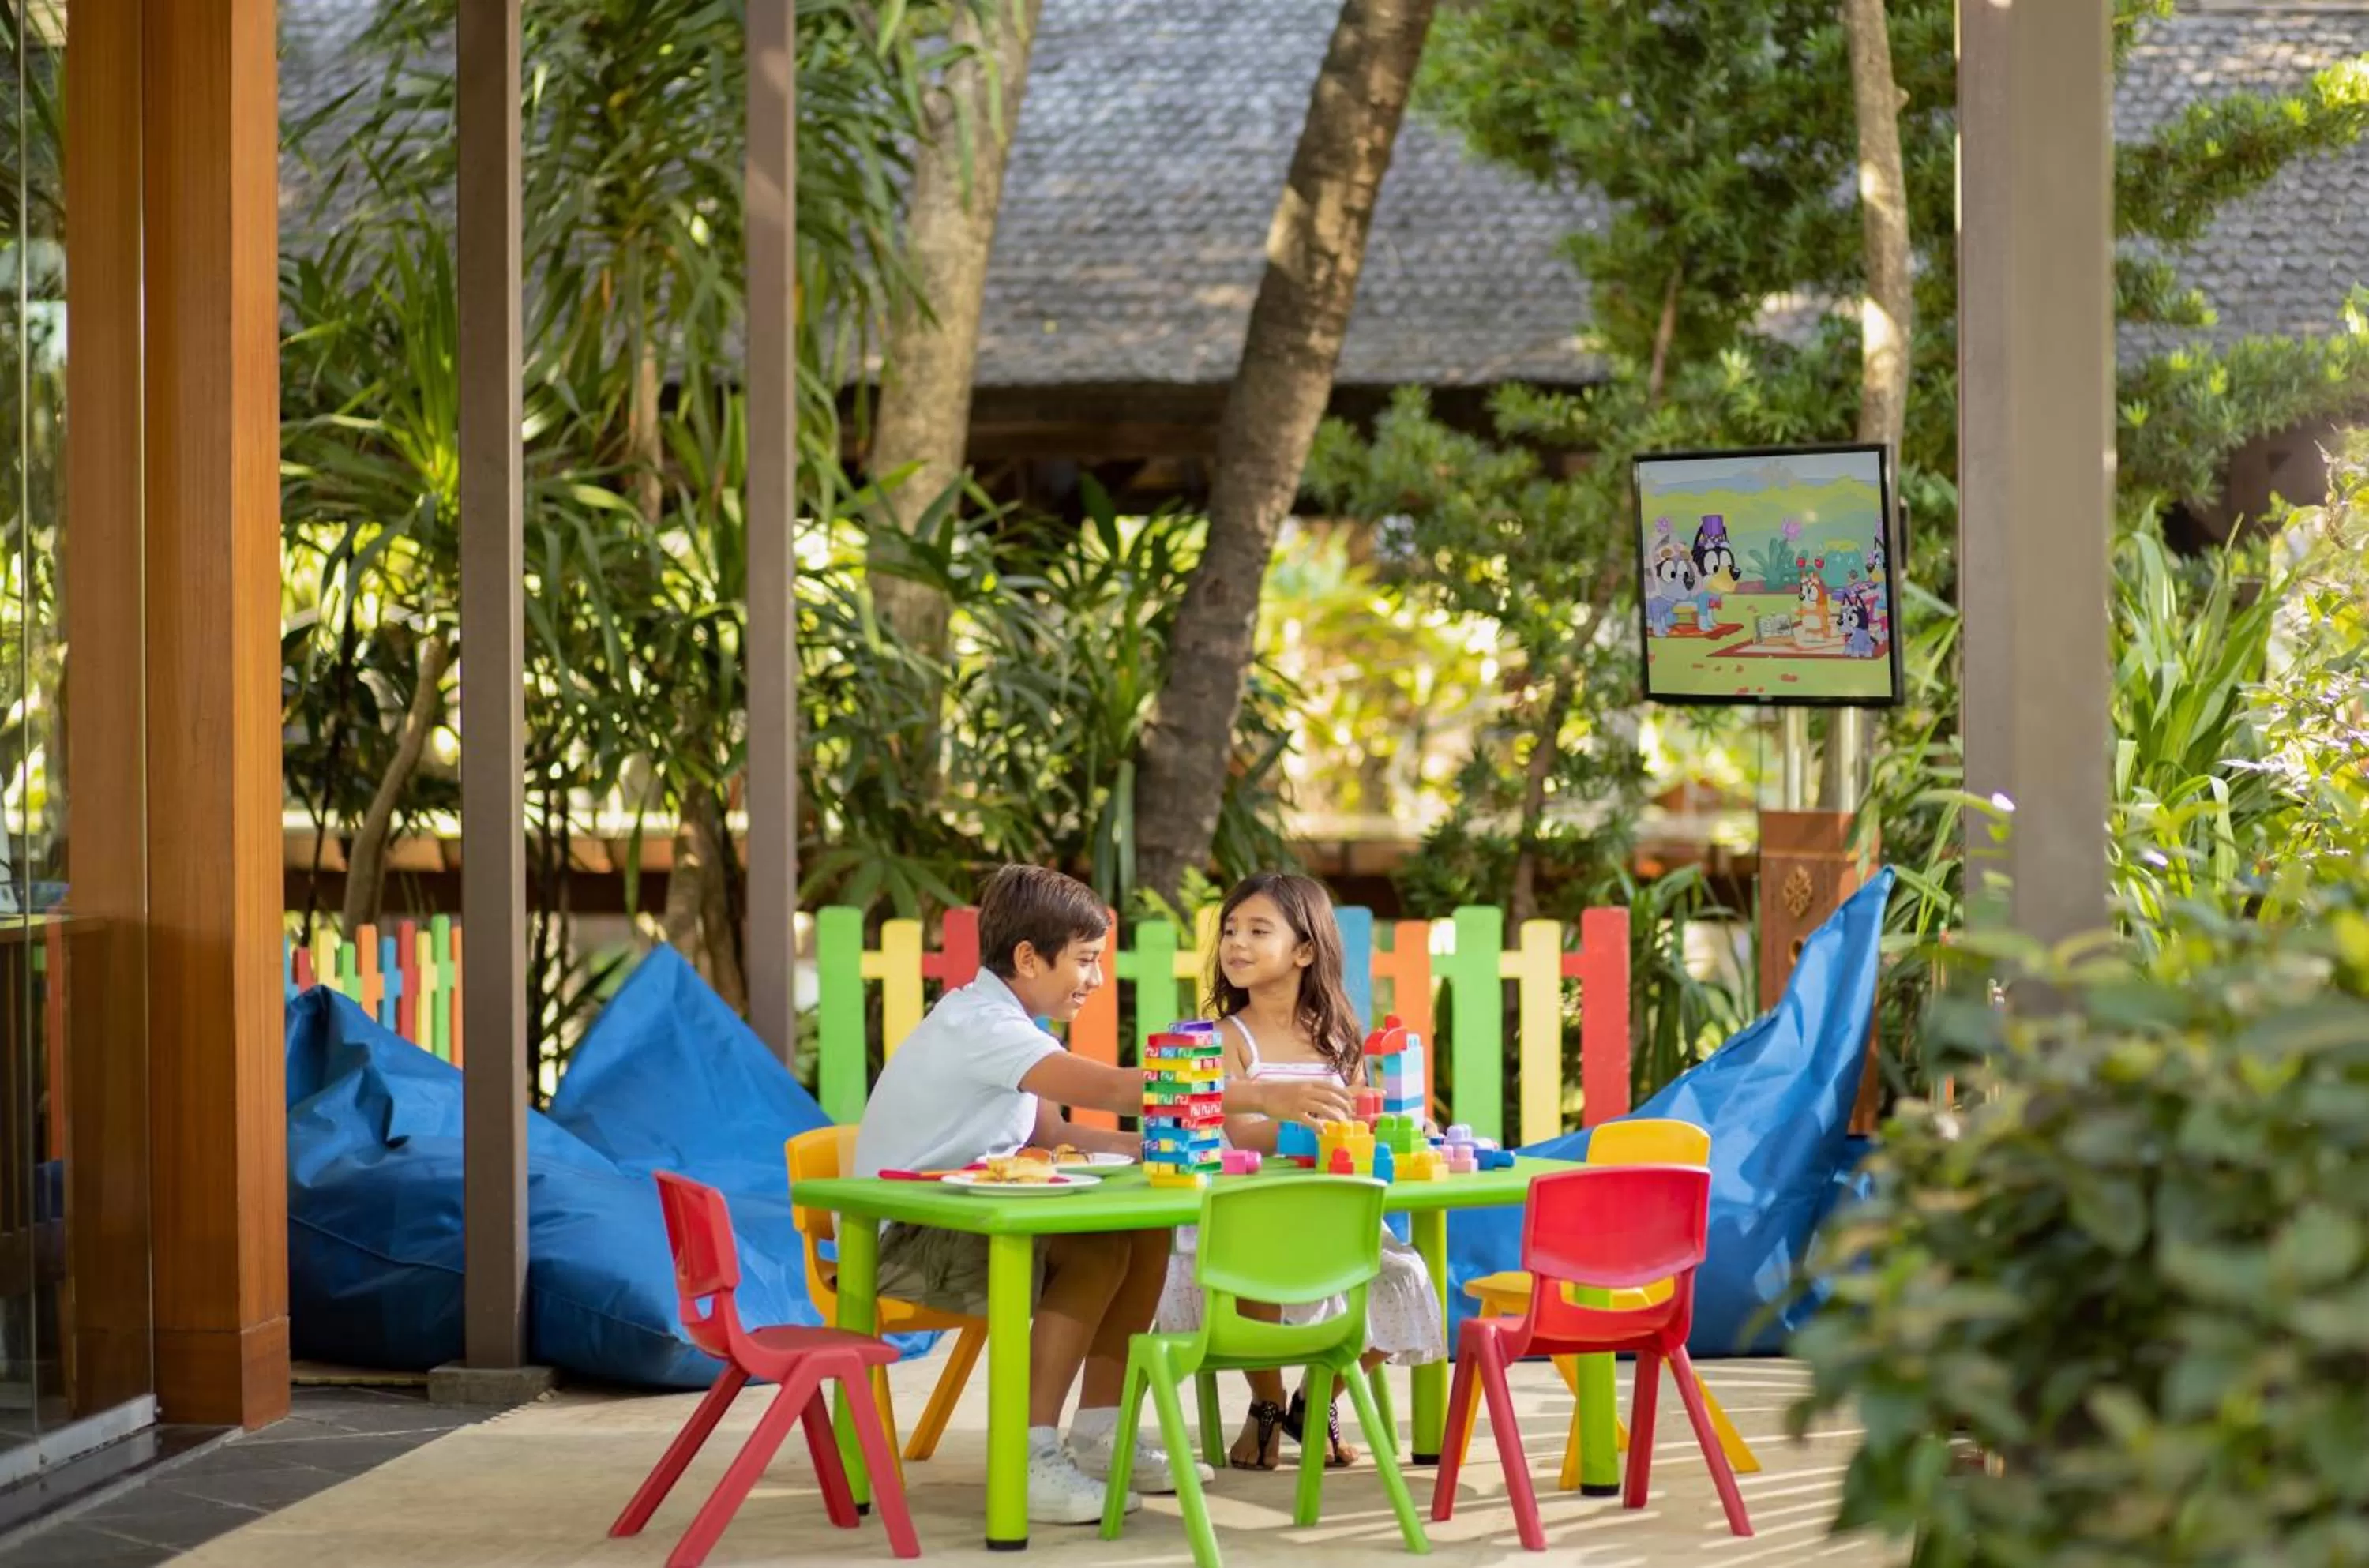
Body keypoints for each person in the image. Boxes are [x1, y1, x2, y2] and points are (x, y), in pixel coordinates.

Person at [852, 865, 1355, 1525]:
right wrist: (1261, 1094)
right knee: (1093, 1255)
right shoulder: (982, 1027)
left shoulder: (1010, 1025)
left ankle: (1100, 1433)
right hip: (907, 1241)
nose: (1094, 978)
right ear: (1029, 958)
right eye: (1085, 961)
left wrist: (1138, 1148)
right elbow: (1122, 1090)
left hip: (965, 1218)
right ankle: (1029, 1455)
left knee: (1142, 1232)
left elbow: (1050, 1130)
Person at [1152, 871, 1444, 1470]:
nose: (1236, 942)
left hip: (1333, 1216)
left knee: (1406, 1278)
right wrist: (1300, 1126)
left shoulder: (1338, 1038)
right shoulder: (1223, 1039)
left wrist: (1399, 1129)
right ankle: (1266, 1403)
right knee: (1255, 1282)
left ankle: (1316, 1399)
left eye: (1259, 930)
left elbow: (1362, 1115)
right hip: (1249, 1215)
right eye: (1231, 929)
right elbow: (1233, 1130)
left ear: (1305, 950)